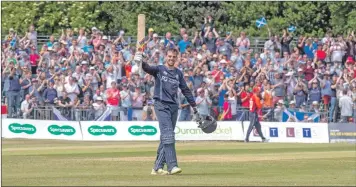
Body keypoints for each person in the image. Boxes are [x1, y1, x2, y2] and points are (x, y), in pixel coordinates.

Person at [136, 48, 201, 175]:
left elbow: (186, 90)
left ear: (176, 58)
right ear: (166, 56)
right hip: (161, 105)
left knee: (166, 137)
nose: (171, 59)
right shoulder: (159, 69)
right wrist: (141, 61)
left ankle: (157, 167)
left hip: (173, 107)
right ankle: (172, 166)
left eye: (173, 57)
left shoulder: (178, 73)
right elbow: (147, 68)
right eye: (169, 56)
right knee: (168, 134)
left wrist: (194, 107)